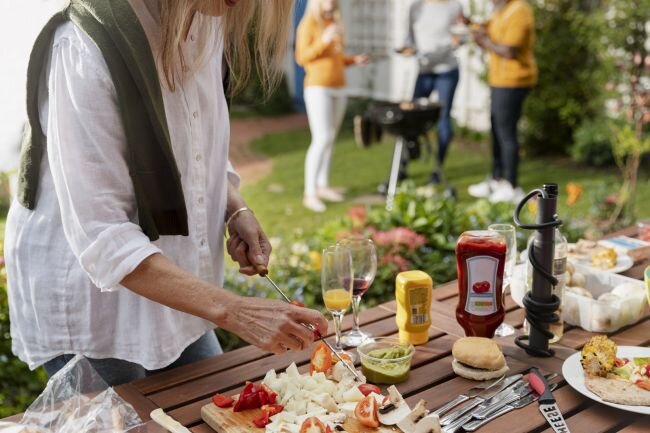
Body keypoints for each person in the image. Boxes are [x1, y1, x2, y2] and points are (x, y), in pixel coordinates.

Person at [4, 0, 328, 386]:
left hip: (176, 286)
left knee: (215, 406)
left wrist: (236, 208)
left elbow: (194, 146)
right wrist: (236, 312)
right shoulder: (83, 44)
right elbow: (103, 235)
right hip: (94, 307)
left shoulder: (207, 20)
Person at [296, 0, 367, 213]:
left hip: (339, 87)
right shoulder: (308, 24)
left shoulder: (334, 22)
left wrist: (353, 60)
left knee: (331, 137)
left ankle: (323, 185)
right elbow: (302, 57)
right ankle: (309, 193)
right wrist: (324, 40)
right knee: (322, 137)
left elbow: (335, 58)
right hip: (318, 88)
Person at [467, 0, 537, 203]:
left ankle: (512, 185)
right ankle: (496, 179)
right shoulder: (500, 11)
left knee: (506, 133)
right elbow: (485, 29)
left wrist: (485, 41)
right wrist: (470, 25)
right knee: (496, 131)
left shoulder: (519, 10)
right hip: (499, 80)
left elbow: (509, 50)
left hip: (514, 80)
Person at [401, 0, 465, 184]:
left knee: (443, 119)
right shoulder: (415, 7)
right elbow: (409, 38)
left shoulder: (454, 6)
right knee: (411, 116)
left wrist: (458, 40)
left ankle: (438, 170)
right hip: (424, 71)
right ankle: (402, 166)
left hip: (447, 71)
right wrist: (408, 48)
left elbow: (463, 34)